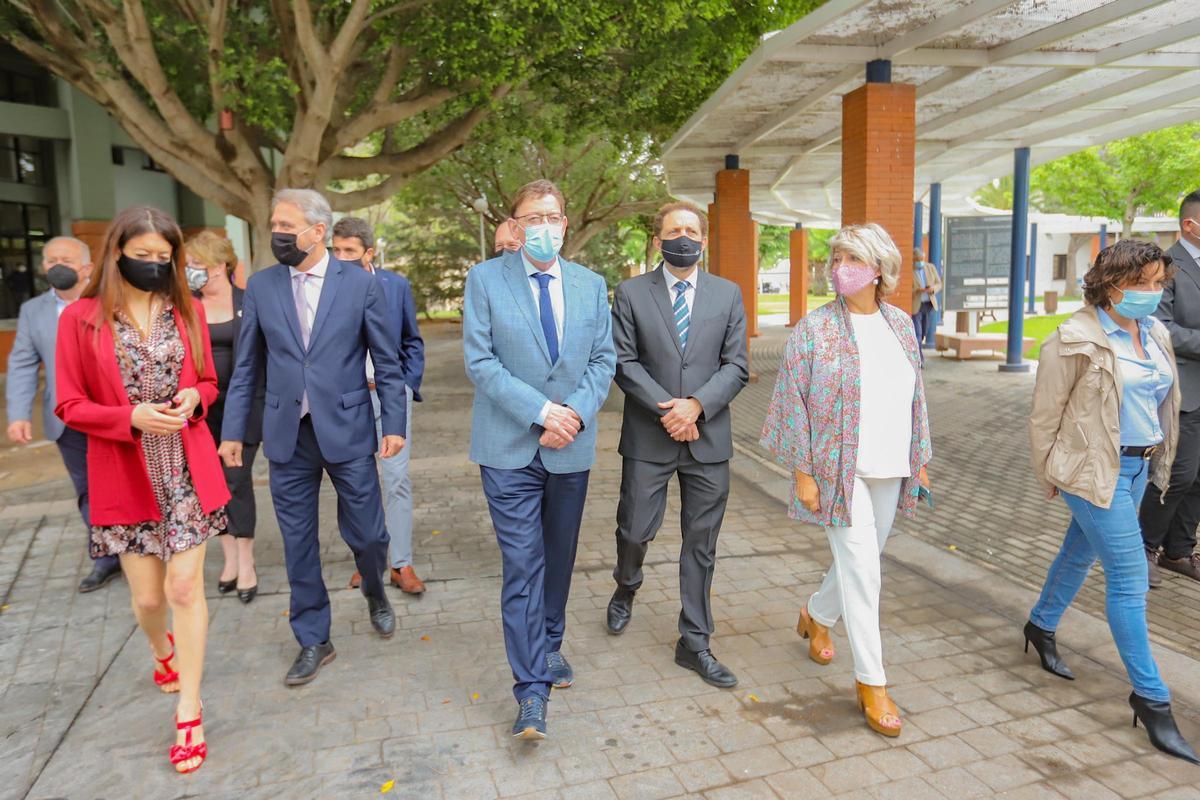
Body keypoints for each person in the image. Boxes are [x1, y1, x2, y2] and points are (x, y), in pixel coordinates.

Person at [55, 206, 229, 774]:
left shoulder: (187, 310)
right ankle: (161, 650)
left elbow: (208, 380)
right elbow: (69, 404)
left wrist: (196, 398)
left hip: (185, 468)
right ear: (117, 253)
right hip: (124, 471)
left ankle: (189, 709)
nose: (155, 265)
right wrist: (128, 417)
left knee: (184, 589)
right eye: (143, 256)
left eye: (164, 257)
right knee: (151, 601)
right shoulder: (79, 319)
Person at [218, 189, 407, 687]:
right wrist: (233, 430)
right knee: (298, 541)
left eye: (286, 225)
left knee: (369, 534)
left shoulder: (359, 284)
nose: (277, 233)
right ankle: (313, 638)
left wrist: (394, 425)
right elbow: (246, 367)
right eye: (274, 224)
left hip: (347, 428)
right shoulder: (262, 286)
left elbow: (387, 361)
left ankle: (374, 587)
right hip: (287, 434)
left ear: (317, 231)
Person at [1028, 239, 1199, 764]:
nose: (1151, 292)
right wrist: (1049, 472)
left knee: (1079, 552)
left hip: (1139, 466)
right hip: (1090, 468)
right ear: (1110, 283)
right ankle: (1152, 699)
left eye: (1158, 283)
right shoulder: (1071, 339)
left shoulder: (1154, 332)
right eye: (1141, 283)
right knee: (1129, 579)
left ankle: (1040, 625)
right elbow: (1045, 415)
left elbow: (1161, 399)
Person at [761, 223, 931, 739]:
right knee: (864, 573)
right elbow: (792, 403)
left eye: (851, 259)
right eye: (835, 259)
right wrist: (802, 471)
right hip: (837, 471)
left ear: (878, 268)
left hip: (890, 465)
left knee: (861, 562)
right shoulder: (814, 329)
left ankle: (815, 615)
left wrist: (920, 455)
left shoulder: (900, 325)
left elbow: (916, 394)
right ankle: (872, 683)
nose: (839, 268)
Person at [463, 179, 615, 740]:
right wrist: (542, 412)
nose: (543, 227)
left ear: (565, 224)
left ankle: (550, 643)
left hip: (570, 446)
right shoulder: (485, 280)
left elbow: (603, 360)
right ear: (515, 225)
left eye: (551, 217)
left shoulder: (591, 286)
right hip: (508, 448)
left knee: (558, 557)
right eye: (532, 218)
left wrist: (571, 413)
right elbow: (481, 362)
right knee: (523, 565)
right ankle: (530, 690)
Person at [607, 201, 748, 688]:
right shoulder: (631, 293)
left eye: (691, 230)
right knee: (634, 530)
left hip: (708, 438)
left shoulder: (728, 294)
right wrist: (671, 410)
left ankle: (694, 641)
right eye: (673, 230)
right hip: (650, 435)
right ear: (658, 240)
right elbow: (623, 362)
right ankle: (626, 585)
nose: (682, 237)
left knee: (701, 545)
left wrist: (697, 407)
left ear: (703, 240)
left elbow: (736, 365)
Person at [6, 236, 122, 592]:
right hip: (67, 420)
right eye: (51, 260)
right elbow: (23, 363)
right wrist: (18, 414)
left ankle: (141, 545)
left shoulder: (112, 300)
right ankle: (106, 556)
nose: (58, 266)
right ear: (42, 267)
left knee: (124, 482)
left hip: (116, 414)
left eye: (66, 260)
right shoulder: (33, 310)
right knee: (87, 489)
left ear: (87, 267)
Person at [331, 217, 427, 595]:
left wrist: (406, 384)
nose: (341, 257)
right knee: (357, 483)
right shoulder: (325, 289)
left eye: (349, 251)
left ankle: (401, 563)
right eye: (336, 250)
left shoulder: (395, 286)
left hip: (390, 397)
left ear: (368, 253)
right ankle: (368, 561)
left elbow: (411, 340)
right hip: (347, 400)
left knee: (396, 479)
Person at [187, 231, 264, 603]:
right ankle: (229, 557)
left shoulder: (249, 303)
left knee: (236, 480)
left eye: (196, 265)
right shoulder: (186, 306)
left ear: (219, 266)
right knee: (210, 484)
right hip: (201, 410)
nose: (190, 271)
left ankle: (246, 560)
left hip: (245, 406)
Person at [1140, 190, 1200, 587]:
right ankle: (1143, 547)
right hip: (1183, 391)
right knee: (1177, 474)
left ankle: (1178, 550)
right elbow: (1160, 328)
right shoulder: (1165, 267)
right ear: (1190, 225)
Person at [911, 248, 941, 364]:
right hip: (916, 305)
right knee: (918, 334)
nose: (920, 262)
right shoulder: (910, 271)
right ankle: (920, 359)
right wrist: (917, 290)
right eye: (917, 260)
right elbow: (907, 288)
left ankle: (919, 352)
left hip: (928, 304)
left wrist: (932, 289)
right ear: (913, 260)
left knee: (923, 332)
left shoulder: (930, 268)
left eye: (921, 259)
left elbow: (939, 283)